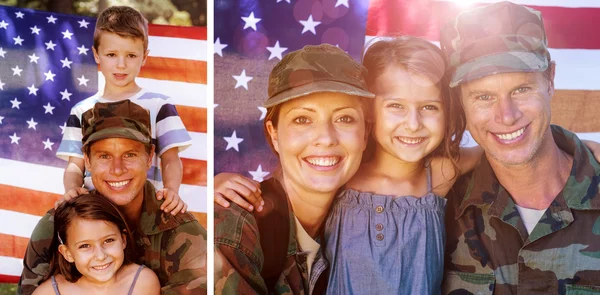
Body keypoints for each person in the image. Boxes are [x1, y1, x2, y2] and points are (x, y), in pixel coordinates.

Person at [440, 2, 600, 294]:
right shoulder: (438, 209)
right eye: (484, 96)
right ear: (460, 101)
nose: (507, 115)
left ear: (550, 80)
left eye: (521, 89)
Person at [214, 44, 374, 294]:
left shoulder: (365, 228)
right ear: (273, 133)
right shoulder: (234, 227)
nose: (325, 138)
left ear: (365, 134)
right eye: (302, 119)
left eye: (344, 118)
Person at [19, 100, 207, 295]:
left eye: (130, 154)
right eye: (104, 156)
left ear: (150, 156)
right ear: (87, 160)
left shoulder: (180, 231)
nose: (117, 169)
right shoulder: (55, 225)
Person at [56, 5, 191, 215]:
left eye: (131, 55)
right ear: (96, 54)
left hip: (145, 213)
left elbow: (171, 159)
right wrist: (72, 189)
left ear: (144, 57)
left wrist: (172, 190)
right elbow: (75, 164)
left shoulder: (159, 105)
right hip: (95, 214)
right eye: (111, 54)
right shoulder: (82, 110)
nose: (121, 65)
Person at [32, 193, 160, 295]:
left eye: (108, 240)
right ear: (68, 253)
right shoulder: (49, 292)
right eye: (85, 246)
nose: (100, 256)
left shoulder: (142, 282)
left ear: (123, 240)